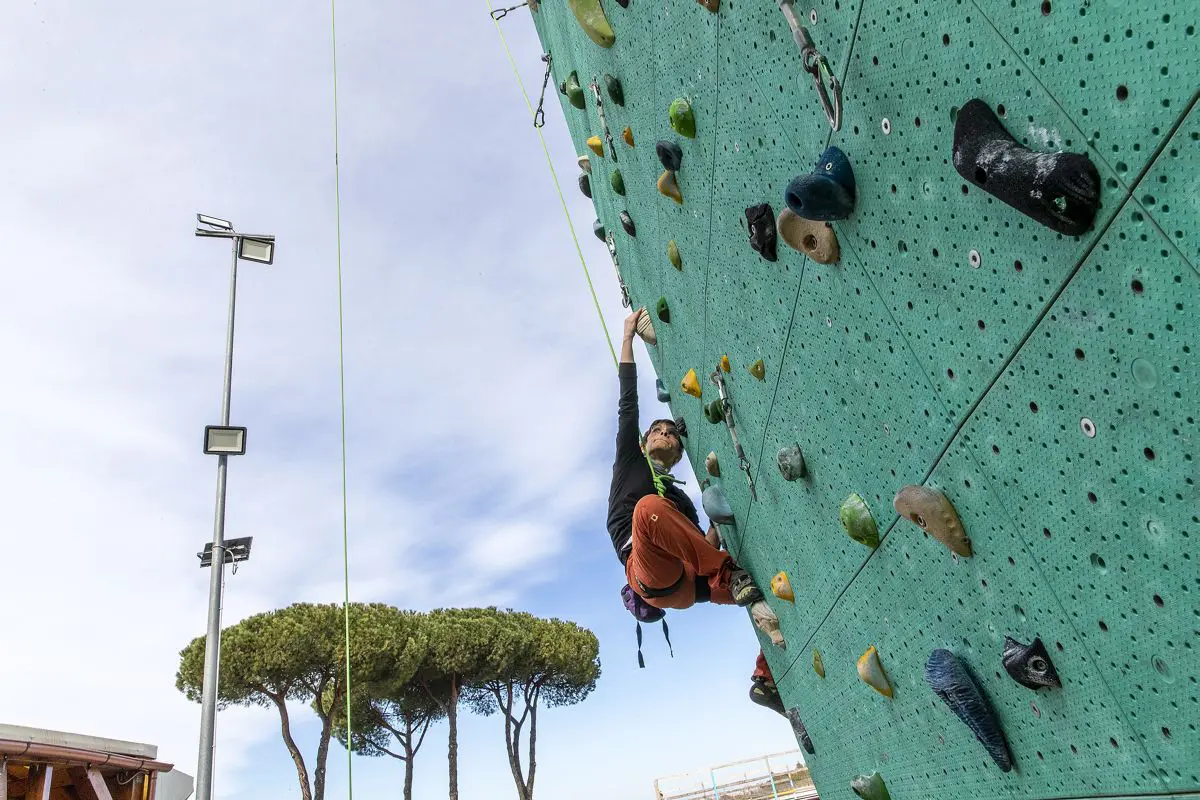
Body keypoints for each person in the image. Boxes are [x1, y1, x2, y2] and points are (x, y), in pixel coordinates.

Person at [610, 307, 783, 714]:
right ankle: (732, 575)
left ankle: (765, 680)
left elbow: (701, 545)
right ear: (643, 443)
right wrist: (628, 338)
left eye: (671, 433)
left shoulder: (681, 501)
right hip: (648, 572)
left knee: (773, 595)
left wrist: (718, 522)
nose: (664, 433)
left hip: (691, 586)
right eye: (657, 431)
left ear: (677, 453)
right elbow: (627, 404)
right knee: (647, 510)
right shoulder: (630, 465)